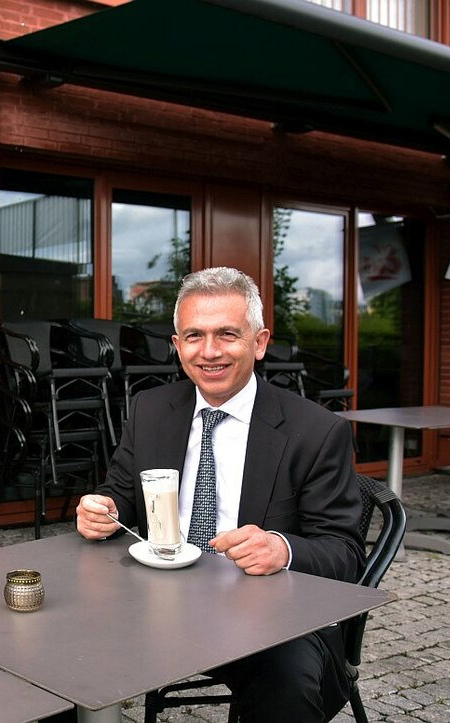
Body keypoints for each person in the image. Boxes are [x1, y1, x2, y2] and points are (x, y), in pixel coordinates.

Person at [76, 267, 363, 722]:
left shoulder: (317, 430)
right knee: (43, 645)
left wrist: (282, 549)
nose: (209, 352)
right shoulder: (150, 410)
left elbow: (345, 554)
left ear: (260, 342)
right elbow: (122, 494)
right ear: (177, 346)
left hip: (263, 613)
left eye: (227, 334)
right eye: (194, 336)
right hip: (152, 598)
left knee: (289, 684)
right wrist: (103, 509)